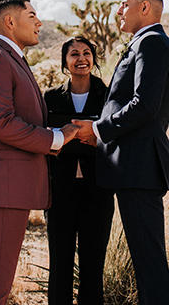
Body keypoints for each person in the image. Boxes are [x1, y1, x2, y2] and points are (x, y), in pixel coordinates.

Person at [73, 0, 169, 305]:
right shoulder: (145, 44)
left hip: (139, 168)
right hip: (133, 168)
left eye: (124, 4)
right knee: (147, 264)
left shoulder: (152, 44)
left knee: (150, 266)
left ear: (144, 7)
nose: (118, 10)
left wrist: (99, 130)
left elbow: (144, 105)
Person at [0, 0, 80, 305]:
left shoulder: (11, 59)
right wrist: (56, 138)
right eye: (32, 16)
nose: (39, 22)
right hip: (1, 186)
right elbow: (0, 123)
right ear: (10, 21)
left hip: (8, 187)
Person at [44, 37, 114, 305]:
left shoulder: (107, 96)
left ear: (93, 60)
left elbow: (116, 136)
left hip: (98, 191)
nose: (81, 58)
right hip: (60, 192)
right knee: (59, 266)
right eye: (74, 54)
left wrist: (95, 139)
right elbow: (42, 137)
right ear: (65, 62)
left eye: (87, 53)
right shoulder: (50, 97)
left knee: (93, 267)